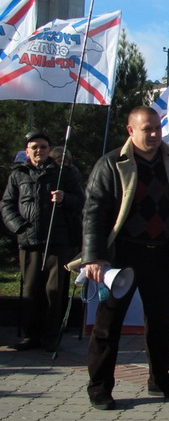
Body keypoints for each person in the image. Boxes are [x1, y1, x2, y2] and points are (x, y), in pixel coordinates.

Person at [79, 106, 169, 410]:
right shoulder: (111, 164)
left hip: (161, 256)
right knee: (108, 326)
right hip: (121, 256)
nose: (155, 134)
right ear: (131, 131)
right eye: (148, 129)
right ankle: (100, 386)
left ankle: (160, 379)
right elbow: (94, 212)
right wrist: (95, 257)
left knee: (160, 322)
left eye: (158, 128)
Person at [2, 131, 84, 352]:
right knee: (30, 290)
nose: (39, 150)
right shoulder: (18, 174)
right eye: (34, 147)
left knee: (54, 291)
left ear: (49, 150)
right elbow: (7, 204)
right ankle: (31, 335)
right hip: (29, 241)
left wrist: (65, 198)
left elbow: (81, 201)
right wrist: (18, 226)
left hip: (58, 241)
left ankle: (50, 335)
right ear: (27, 151)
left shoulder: (63, 174)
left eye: (44, 147)